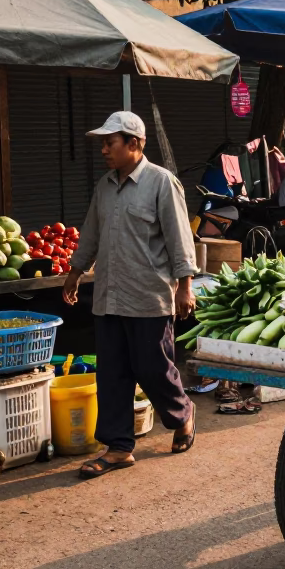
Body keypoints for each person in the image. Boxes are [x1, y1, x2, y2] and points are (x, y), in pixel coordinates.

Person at [63, 111, 198, 479]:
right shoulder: (104, 186)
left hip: (148, 297)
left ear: (134, 144)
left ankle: (181, 413)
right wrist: (75, 273)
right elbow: (90, 233)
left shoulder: (161, 183)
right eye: (103, 142)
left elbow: (179, 238)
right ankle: (119, 446)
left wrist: (185, 286)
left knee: (153, 367)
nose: (104, 148)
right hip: (108, 296)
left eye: (111, 142)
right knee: (112, 373)